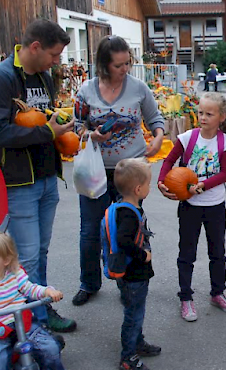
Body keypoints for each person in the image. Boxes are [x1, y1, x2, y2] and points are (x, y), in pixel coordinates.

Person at [0, 18, 77, 334]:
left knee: (41, 252)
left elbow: (42, 118)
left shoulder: (44, 77)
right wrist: (45, 130)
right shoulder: (0, 79)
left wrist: (57, 121)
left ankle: (41, 311)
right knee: (28, 257)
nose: (57, 61)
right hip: (18, 181)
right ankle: (33, 325)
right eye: (54, 55)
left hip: (47, 177)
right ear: (35, 47)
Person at [72, 36, 165, 307]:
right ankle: (89, 283)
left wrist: (158, 137)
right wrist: (90, 134)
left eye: (128, 63)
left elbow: (155, 118)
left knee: (127, 230)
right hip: (95, 172)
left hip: (130, 173)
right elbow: (77, 126)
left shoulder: (138, 88)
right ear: (103, 65)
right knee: (90, 230)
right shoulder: (86, 91)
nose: (125, 69)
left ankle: (128, 280)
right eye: (118, 65)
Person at [157, 92, 226, 322]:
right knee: (187, 252)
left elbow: (225, 173)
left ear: (221, 117)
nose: (202, 117)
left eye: (209, 114)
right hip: (189, 206)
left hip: (214, 206)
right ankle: (185, 297)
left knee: (218, 253)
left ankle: (218, 293)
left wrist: (203, 185)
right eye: (200, 112)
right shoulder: (187, 139)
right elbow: (168, 161)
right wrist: (161, 182)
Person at [0, 231, 65, 370]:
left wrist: (48, 291)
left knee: (50, 350)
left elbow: (30, 289)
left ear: (6, 260)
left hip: (24, 323)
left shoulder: (15, 275)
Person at [111, 158, 161, 370]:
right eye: (149, 184)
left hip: (129, 274)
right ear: (139, 189)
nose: (150, 187)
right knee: (133, 315)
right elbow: (124, 241)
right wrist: (143, 255)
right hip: (134, 275)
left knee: (135, 312)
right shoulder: (130, 215)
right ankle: (128, 357)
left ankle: (137, 343)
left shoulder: (122, 206)